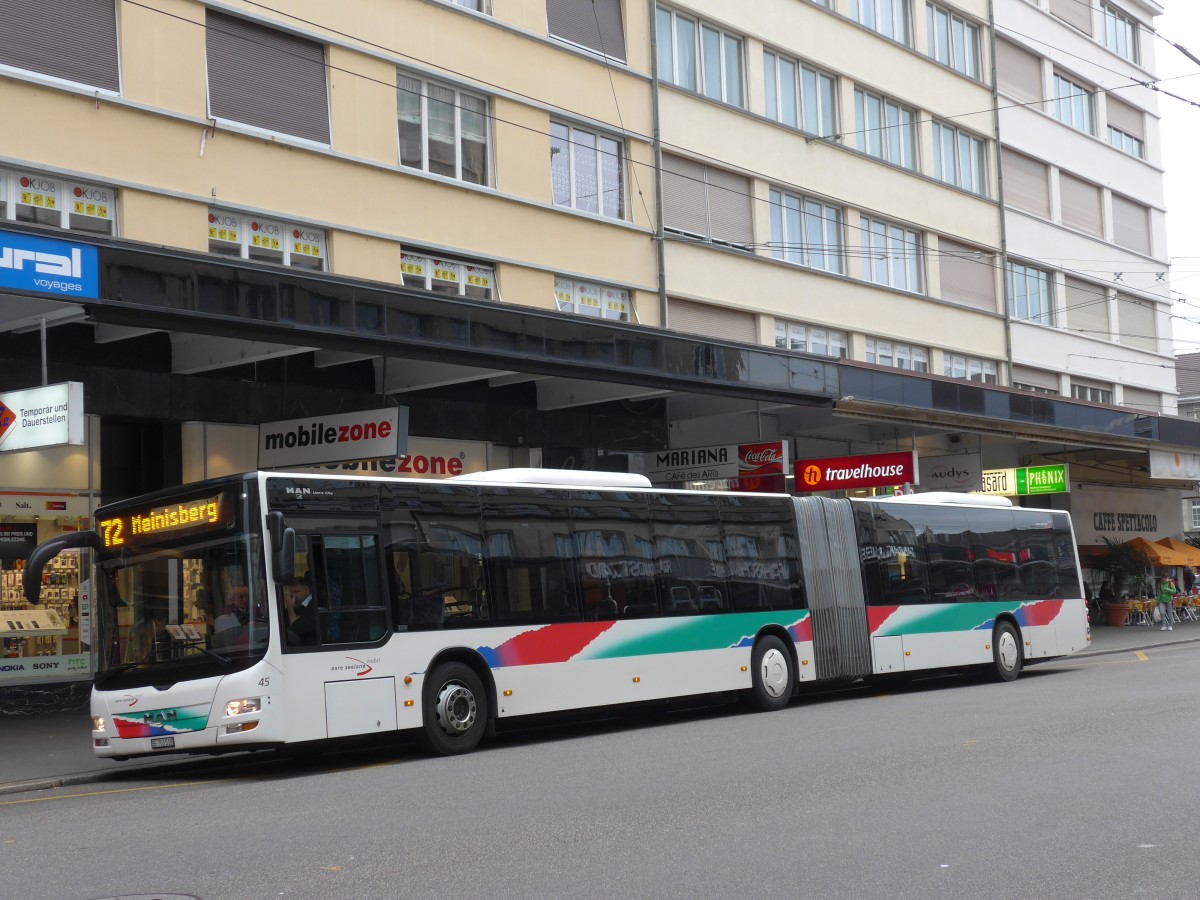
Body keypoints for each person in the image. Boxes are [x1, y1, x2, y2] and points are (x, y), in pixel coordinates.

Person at [286, 575, 317, 645]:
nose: (292, 595)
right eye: (291, 592)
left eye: (296, 591)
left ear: (307, 590)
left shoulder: (314, 606)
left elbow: (297, 630)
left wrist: (290, 608)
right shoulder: (295, 607)